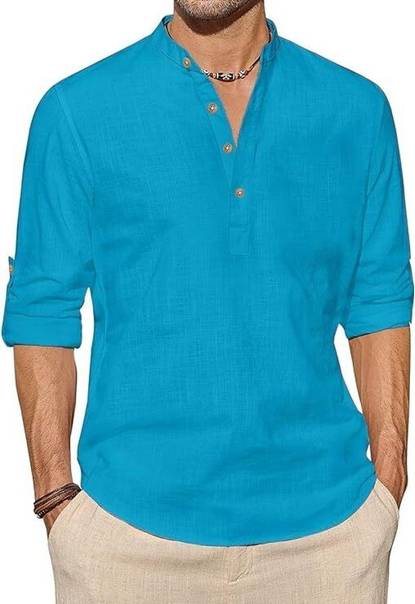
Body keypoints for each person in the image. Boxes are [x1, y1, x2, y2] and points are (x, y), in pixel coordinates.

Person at [2, 0, 413, 602]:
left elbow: (378, 300)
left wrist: (390, 479)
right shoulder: (77, 110)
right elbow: (41, 310)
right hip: (125, 541)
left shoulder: (356, 110)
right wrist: (56, 500)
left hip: (329, 543)